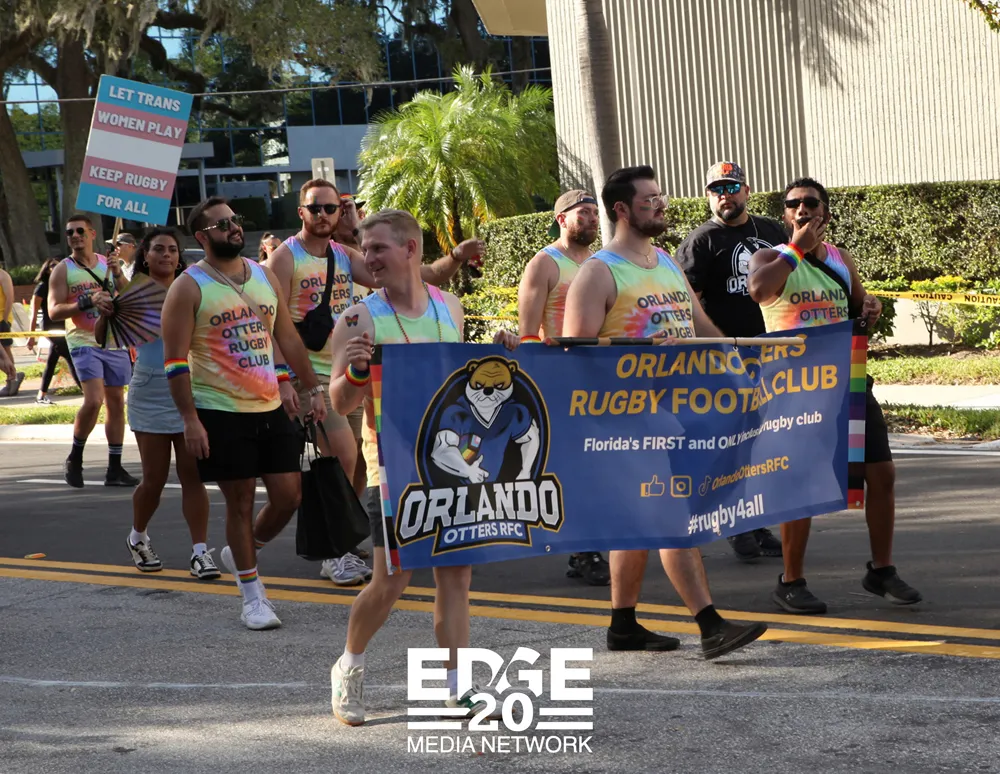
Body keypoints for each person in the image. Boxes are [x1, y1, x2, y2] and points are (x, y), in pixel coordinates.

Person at [562, 165, 768, 659]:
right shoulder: (599, 272)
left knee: (637, 523)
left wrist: (740, 368)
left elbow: (700, 326)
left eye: (660, 197)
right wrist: (635, 353)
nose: (660, 205)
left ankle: (623, 626)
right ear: (621, 209)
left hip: (674, 414)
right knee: (670, 515)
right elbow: (572, 353)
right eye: (649, 199)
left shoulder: (666, 262)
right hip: (623, 420)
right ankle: (710, 624)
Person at [327, 209, 517, 726]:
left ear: (410, 248)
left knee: (456, 577)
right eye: (365, 249)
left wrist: (500, 352)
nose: (368, 257)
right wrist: (358, 372)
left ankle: (458, 688)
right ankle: (349, 664)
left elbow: (460, 379)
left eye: (378, 248)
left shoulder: (449, 307)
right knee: (391, 580)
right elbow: (340, 402)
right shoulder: (359, 318)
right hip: (391, 466)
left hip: (449, 467)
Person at [264, 178, 483, 585]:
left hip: (361, 368)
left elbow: (411, 273)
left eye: (332, 208)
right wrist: (286, 379)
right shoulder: (285, 258)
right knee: (343, 458)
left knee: (361, 466)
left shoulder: (345, 255)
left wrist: (454, 255)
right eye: (316, 208)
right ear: (301, 212)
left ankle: (341, 538)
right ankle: (335, 553)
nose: (324, 215)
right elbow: (272, 323)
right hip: (312, 374)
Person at [748, 177, 923, 614]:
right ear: (785, 213)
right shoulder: (770, 257)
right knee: (801, 483)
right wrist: (797, 249)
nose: (802, 209)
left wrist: (871, 307)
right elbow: (760, 291)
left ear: (824, 211)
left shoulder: (841, 259)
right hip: (796, 389)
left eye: (811, 202)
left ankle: (881, 570)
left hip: (848, 381)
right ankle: (790, 581)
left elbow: (860, 305)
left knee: (881, 473)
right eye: (793, 203)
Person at [161, 196, 328, 630]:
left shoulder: (265, 275)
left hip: (271, 405)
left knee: (289, 496)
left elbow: (286, 339)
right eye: (222, 224)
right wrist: (190, 419)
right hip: (220, 410)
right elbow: (175, 362)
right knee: (239, 502)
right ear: (202, 237)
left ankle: (242, 553)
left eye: (234, 220)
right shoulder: (188, 287)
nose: (234, 227)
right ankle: (253, 597)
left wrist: (310, 387)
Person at [674, 161, 785, 563]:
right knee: (733, 444)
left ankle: (755, 520)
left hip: (774, 354)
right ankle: (735, 523)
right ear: (708, 196)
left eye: (731, 187)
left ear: (747, 190)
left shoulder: (773, 231)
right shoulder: (700, 242)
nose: (725, 195)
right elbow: (686, 304)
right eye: (716, 189)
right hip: (727, 360)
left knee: (762, 444)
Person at [101, 228, 220, 580]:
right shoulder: (132, 291)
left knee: (193, 475)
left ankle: (200, 552)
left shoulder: (192, 288)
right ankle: (138, 536)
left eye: (172, 249)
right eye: (158, 249)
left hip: (190, 388)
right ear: (145, 254)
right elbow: (104, 337)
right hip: (150, 389)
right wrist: (106, 310)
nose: (166, 254)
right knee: (154, 479)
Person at [517, 189, 611, 587]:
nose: (591, 219)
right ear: (562, 219)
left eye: (594, 213)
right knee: (576, 468)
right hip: (563, 380)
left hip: (604, 380)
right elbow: (527, 333)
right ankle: (583, 549)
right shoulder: (544, 263)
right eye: (582, 213)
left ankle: (592, 543)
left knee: (601, 465)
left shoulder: (602, 262)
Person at [48, 214, 136, 487]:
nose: (75, 236)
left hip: (113, 338)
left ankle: (115, 468)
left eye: (80, 231)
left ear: (92, 234)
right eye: (70, 232)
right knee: (94, 400)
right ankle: (75, 457)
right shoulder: (63, 269)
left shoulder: (108, 263)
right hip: (83, 341)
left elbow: (129, 295)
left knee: (116, 402)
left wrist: (118, 273)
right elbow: (54, 311)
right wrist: (86, 301)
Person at [26, 259, 81, 404]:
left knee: (52, 360)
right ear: (47, 270)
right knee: (70, 356)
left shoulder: (62, 286)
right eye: (53, 266)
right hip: (50, 328)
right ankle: (87, 391)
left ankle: (41, 395)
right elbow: (34, 313)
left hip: (63, 326)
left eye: (58, 265)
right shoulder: (42, 287)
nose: (56, 268)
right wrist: (31, 336)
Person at [0, 264, 24, 397]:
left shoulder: (3, 275)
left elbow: (10, 298)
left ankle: (12, 380)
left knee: (5, 350)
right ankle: (13, 376)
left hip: (2, 318)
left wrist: (5, 320)